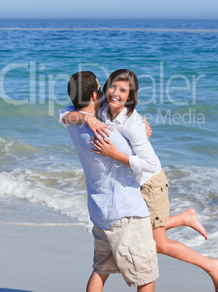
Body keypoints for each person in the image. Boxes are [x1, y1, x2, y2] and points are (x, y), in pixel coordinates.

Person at [63, 69, 218, 292]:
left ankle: (205, 254)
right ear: (95, 95)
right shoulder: (103, 122)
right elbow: (69, 115)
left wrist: (134, 134)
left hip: (141, 187)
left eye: (122, 90)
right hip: (127, 201)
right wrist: (93, 121)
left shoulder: (99, 122)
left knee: (139, 249)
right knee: (149, 258)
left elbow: (149, 163)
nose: (112, 93)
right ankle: (191, 229)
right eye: (107, 87)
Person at [58, 71, 159, 292]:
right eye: (102, 88)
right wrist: (142, 135)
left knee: (100, 270)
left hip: (99, 211)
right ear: (95, 95)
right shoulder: (108, 134)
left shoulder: (74, 120)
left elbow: (63, 114)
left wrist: (86, 116)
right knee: (145, 278)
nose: (109, 92)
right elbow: (149, 164)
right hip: (126, 212)